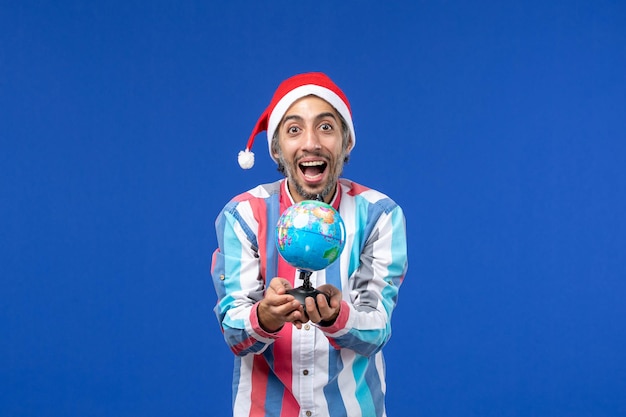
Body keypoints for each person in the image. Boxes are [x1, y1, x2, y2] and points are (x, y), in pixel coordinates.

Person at [211, 72, 408, 417]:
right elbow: (235, 334)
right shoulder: (244, 214)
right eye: (294, 129)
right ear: (276, 147)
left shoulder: (379, 215)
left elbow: (376, 329)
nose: (311, 144)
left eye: (326, 127)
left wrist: (337, 317)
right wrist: (265, 317)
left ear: (347, 143)